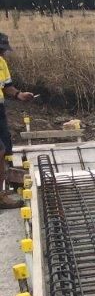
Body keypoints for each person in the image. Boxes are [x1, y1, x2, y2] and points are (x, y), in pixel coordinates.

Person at [0, 32, 36, 208]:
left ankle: (5, 184)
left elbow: (6, 87)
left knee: (6, 147)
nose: (2, 53)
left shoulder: (2, 63)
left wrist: (19, 94)